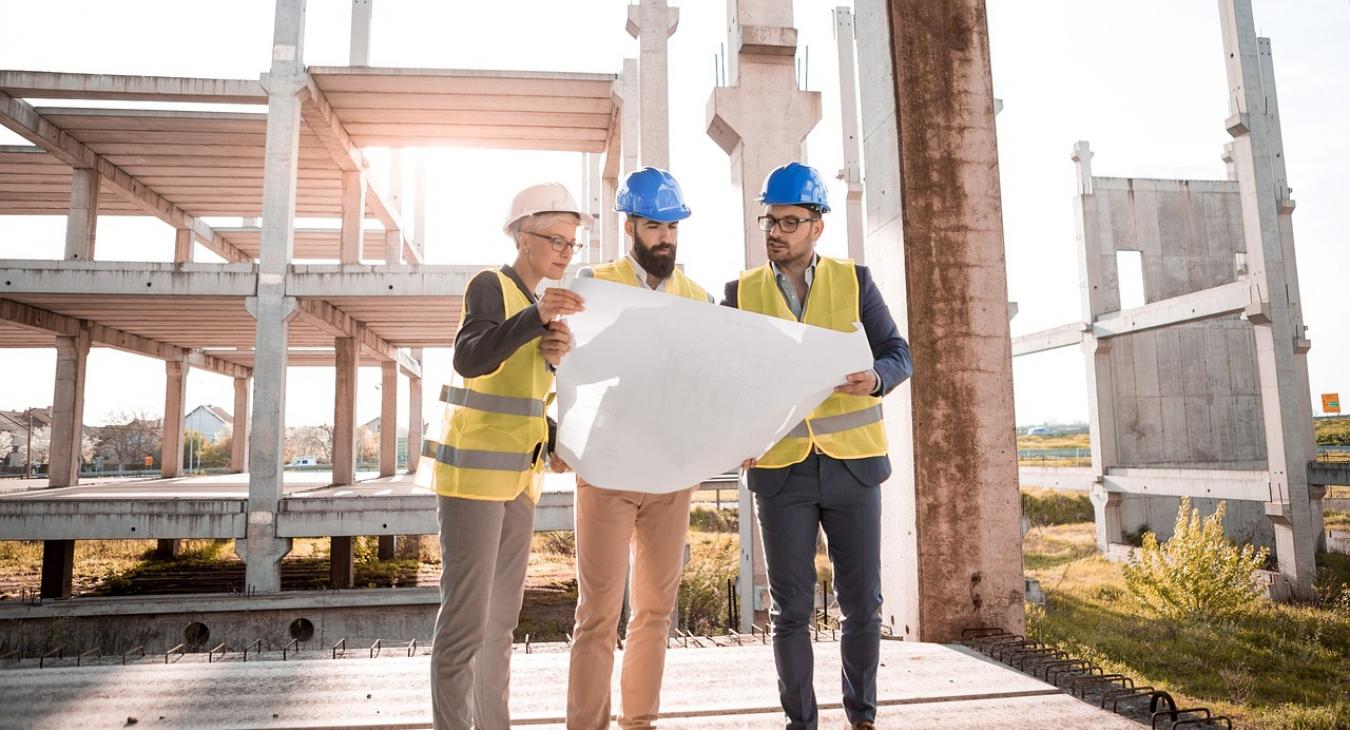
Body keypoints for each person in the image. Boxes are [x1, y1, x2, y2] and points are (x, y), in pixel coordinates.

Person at [722, 162, 912, 730]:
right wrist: (734, 436)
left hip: (853, 468)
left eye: (789, 221)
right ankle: (801, 723)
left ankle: (862, 717)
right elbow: (723, 378)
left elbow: (898, 353)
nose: (775, 231)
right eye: (770, 221)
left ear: (816, 227)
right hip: (781, 473)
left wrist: (874, 378)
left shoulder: (854, 281)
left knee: (861, 606)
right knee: (790, 613)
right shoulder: (740, 292)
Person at [418, 182, 588, 730]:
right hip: (471, 479)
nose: (564, 250)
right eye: (555, 238)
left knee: (500, 624)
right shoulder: (491, 285)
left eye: (572, 242)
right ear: (521, 235)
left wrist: (556, 435)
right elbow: (470, 359)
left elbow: (522, 401)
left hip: (518, 480)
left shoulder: (542, 310)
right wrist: (535, 322)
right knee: (466, 624)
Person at [566, 167, 714, 730]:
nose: (666, 238)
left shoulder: (697, 297)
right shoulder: (595, 284)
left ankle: (640, 722)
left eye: (673, 226)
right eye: (655, 225)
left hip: (671, 474)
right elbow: (567, 369)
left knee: (653, 611)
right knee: (597, 614)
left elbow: (715, 379)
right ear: (632, 226)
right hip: (606, 470)